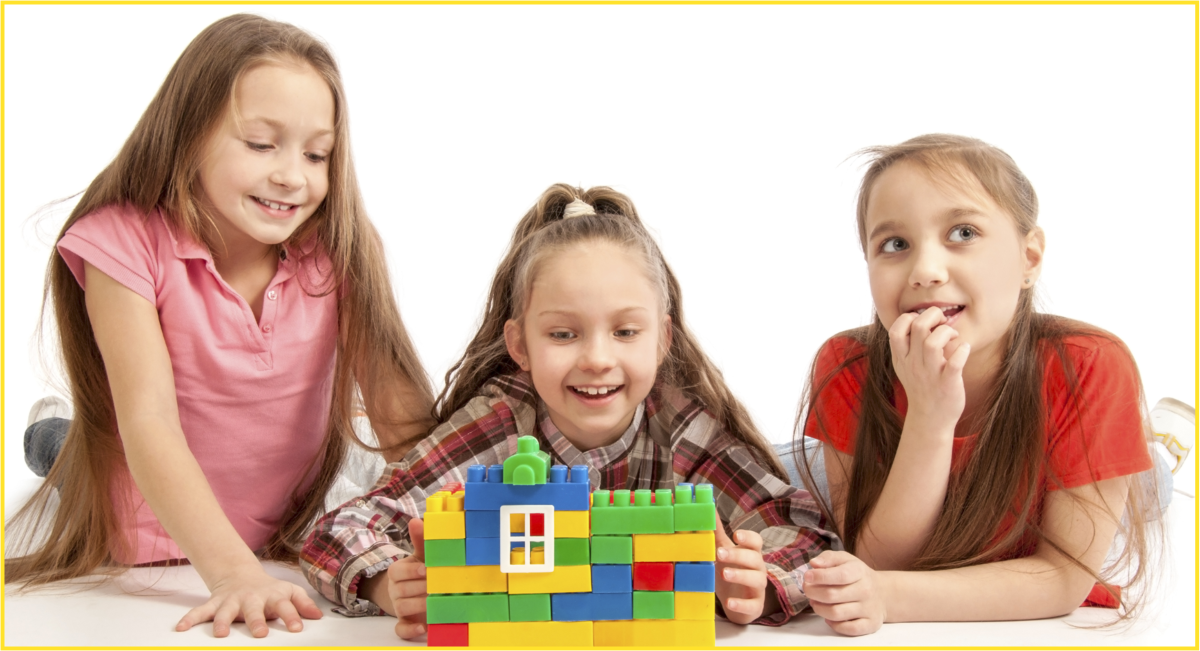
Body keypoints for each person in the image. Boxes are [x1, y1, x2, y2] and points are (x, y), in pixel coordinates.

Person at [4, 14, 436, 639]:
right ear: (187, 135)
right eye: (261, 144)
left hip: (286, 507)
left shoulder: (339, 247)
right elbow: (147, 422)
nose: (293, 174)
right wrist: (235, 573)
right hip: (146, 495)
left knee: (364, 466)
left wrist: (473, 522)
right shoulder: (123, 244)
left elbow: (400, 409)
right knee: (69, 453)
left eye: (317, 154)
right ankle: (53, 427)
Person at [300, 184, 837, 639]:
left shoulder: (680, 427)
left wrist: (753, 580)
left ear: (661, 339)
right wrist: (385, 582)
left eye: (626, 331)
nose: (598, 359)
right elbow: (340, 528)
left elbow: (803, 531)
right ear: (521, 345)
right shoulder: (502, 424)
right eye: (563, 334)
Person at [793, 134, 1162, 635]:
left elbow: (1061, 576)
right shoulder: (846, 365)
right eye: (895, 244)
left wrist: (887, 596)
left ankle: (1164, 442)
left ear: (1029, 259)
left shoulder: (1091, 365)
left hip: (1075, 463)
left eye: (962, 233)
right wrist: (929, 414)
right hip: (827, 468)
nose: (925, 271)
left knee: (1156, 481)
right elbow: (880, 557)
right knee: (776, 482)